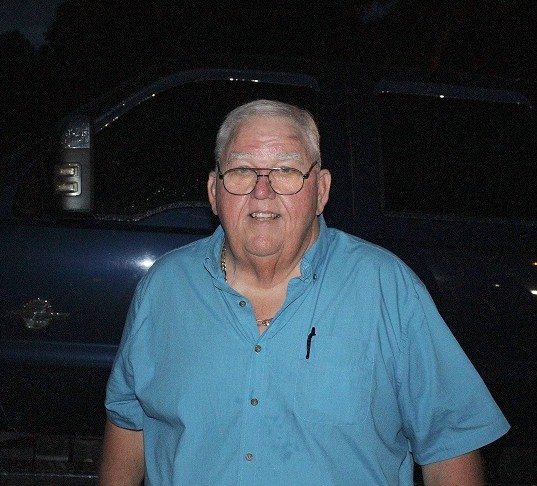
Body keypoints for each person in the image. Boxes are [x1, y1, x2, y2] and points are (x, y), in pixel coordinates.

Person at [99, 99, 509, 485]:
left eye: (286, 171)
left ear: (322, 190)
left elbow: (450, 447)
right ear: (213, 190)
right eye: (242, 170)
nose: (263, 191)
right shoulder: (164, 288)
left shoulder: (388, 289)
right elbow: (129, 422)